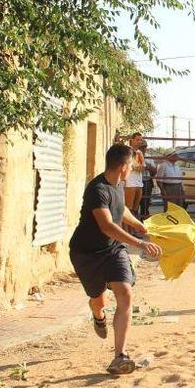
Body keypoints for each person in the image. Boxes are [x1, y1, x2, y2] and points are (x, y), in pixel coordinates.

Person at [69, 144, 162, 375]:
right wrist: (140, 243)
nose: (131, 169)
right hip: (86, 253)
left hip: (113, 251)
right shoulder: (97, 189)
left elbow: (121, 210)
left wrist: (138, 224)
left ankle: (120, 356)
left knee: (124, 293)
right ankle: (98, 316)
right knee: (97, 300)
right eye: (130, 165)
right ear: (122, 167)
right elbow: (107, 225)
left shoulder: (119, 185)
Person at [123, 133, 145, 215]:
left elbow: (143, 166)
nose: (139, 142)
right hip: (129, 183)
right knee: (127, 209)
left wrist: (141, 168)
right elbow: (124, 165)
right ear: (132, 140)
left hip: (139, 183)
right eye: (137, 140)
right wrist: (135, 168)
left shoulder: (139, 152)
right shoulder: (127, 151)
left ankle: (132, 227)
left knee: (135, 209)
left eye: (141, 140)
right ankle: (126, 227)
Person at [139, 142, 156, 218]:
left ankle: (144, 218)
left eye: (145, 147)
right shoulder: (134, 155)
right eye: (142, 146)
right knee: (136, 202)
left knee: (146, 202)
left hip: (147, 181)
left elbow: (154, 171)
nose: (143, 148)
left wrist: (149, 168)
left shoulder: (149, 157)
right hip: (137, 181)